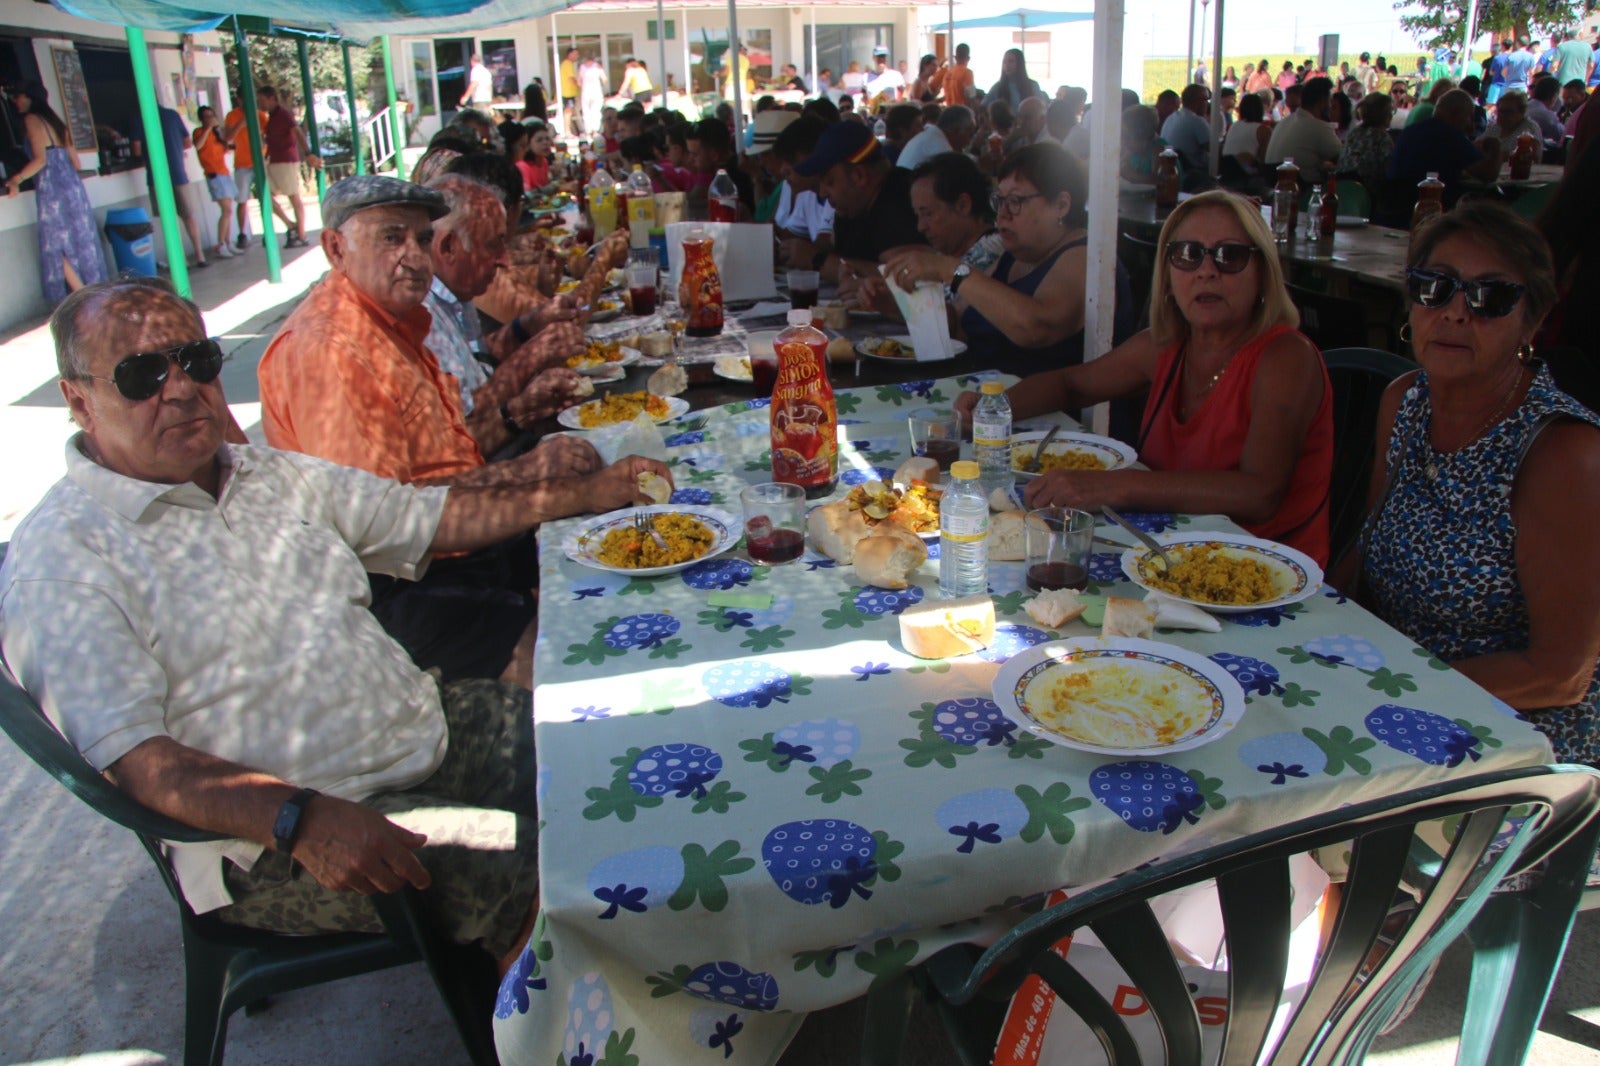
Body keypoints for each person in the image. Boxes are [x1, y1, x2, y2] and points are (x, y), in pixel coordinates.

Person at [0, 276, 666, 978]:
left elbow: (428, 519)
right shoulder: (63, 558)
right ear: (79, 399)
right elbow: (139, 763)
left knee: (608, 759)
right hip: (275, 837)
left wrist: (587, 494)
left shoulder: (261, 474)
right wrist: (297, 818)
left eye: (195, 360)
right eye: (140, 374)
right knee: (530, 869)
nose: (180, 389)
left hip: (417, 726)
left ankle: (692, 968)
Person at [257, 176, 638, 683]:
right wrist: (555, 486)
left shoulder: (389, 322)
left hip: (452, 549)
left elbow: (448, 458)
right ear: (335, 248)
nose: (415, 256)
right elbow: (391, 521)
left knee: (621, 555)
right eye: (392, 237)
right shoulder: (331, 350)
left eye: (420, 239)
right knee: (578, 659)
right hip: (395, 592)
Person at [1341, 202, 1600, 765]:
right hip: (1391, 698)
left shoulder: (1563, 452)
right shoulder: (1405, 401)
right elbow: (1364, 560)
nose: (1455, 312)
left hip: (1515, 743)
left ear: (1531, 321)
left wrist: (1393, 689)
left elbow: (1562, 674)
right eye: (1434, 287)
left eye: (1489, 297)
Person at [953, 190, 1333, 564]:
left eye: (1230, 256)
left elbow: (1258, 493)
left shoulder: (1286, 357)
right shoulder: (1165, 346)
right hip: (1167, 553)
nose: (1206, 271)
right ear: (1167, 274)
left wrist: (1111, 487)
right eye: (1187, 255)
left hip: (1265, 570)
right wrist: (993, 408)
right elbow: (1072, 384)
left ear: (1263, 272)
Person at [884, 143, 1134, 378]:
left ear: (1061, 205)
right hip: (987, 404)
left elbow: (1035, 327)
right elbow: (955, 325)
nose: (1001, 214)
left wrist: (951, 270)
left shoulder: (1086, 259)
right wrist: (893, 300)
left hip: (1056, 419)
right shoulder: (1013, 257)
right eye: (999, 201)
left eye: (1015, 202)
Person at [794, 119, 924, 299]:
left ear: (859, 176)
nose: (823, 193)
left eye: (829, 182)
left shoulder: (901, 199)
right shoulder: (852, 206)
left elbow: (910, 276)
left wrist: (817, 261)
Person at [3, 80, 108, 301]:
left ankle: (81, 294)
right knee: (81, 239)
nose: (15, 101)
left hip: (53, 188)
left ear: (31, 98)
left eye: (19, 96)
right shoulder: (58, 123)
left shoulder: (31, 120)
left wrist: (16, 179)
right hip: (73, 185)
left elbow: (41, 160)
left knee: (55, 243)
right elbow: (77, 164)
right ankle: (91, 291)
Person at [1388, 90, 1503, 220]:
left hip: (1392, 207)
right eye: (1469, 116)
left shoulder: (1411, 131)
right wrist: (1496, 146)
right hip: (1427, 213)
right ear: (1456, 113)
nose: (1470, 124)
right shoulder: (1451, 136)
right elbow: (1489, 174)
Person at [256, 85, 320, 248]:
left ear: (272, 99)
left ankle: (301, 234)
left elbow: (297, 132)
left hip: (286, 160)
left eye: (262, 100)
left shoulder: (284, 114)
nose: (260, 103)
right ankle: (290, 225)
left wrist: (308, 153)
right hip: (273, 160)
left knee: (293, 196)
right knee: (264, 195)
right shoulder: (270, 117)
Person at [223, 93, 289, 249]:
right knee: (242, 200)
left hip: (259, 162)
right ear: (239, 99)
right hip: (242, 164)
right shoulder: (232, 116)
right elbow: (228, 138)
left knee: (266, 197)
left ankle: (275, 228)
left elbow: (268, 136)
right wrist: (241, 124)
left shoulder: (260, 116)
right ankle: (243, 233)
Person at [1264, 76, 1343, 183]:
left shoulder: (1284, 122)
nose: (1330, 106)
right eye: (1329, 101)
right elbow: (1344, 157)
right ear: (1322, 102)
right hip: (1303, 192)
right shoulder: (1318, 127)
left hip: (1272, 187)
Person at [192, 107, 237, 261]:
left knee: (229, 210)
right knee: (226, 210)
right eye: (206, 117)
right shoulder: (199, 132)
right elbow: (198, 146)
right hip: (214, 175)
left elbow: (222, 149)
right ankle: (220, 244)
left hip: (224, 172)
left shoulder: (216, 135)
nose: (210, 119)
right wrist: (208, 128)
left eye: (212, 116)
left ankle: (227, 241)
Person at [1337, 92, 1395, 191]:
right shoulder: (1382, 138)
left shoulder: (1354, 133)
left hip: (1342, 188)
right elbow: (1390, 171)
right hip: (1367, 194)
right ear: (1385, 115)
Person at [1160, 84, 1213, 186]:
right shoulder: (1197, 121)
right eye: (1206, 100)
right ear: (1197, 101)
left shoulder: (1172, 117)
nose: (1208, 104)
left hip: (1173, 170)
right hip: (1194, 174)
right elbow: (1215, 151)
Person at [897, 104, 975, 170]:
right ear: (956, 131)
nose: (969, 141)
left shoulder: (933, 133)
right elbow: (961, 173)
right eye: (970, 135)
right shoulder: (938, 144)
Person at [1485, 90, 1545, 161]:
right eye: (1501, 111)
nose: (1502, 115)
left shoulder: (1530, 128)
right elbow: (1477, 146)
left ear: (1521, 113)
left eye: (1508, 112)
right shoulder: (1496, 128)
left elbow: (1534, 158)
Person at [1221, 91, 1272, 174]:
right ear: (1260, 109)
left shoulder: (1234, 125)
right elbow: (1265, 160)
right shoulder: (1263, 130)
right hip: (1246, 176)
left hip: (1226, 172)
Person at [578, 55, 607, 138]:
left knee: (586, 112)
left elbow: (579, 82)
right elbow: (604, 80)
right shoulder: (598, 67)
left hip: (585, 91)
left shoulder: (582, 67)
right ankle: (595, 131)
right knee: (596, 111)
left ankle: (588, 131)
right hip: (596, 91)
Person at [559, 48, 580, 132]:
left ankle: (571, 130)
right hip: (568, 92)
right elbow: (571, 79)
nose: (577, 56)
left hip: (568, 92)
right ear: (570, 54)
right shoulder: (568, 64)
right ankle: (567, 131)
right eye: (576, 54)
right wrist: (579, 84)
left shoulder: (566, 64)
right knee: (568, 111)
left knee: (570, 112)